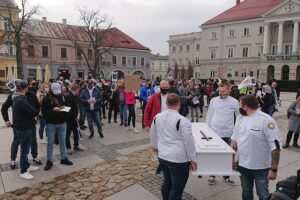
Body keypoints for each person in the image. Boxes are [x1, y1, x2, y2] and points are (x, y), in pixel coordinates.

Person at [231, 95, 282, 200]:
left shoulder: (266, 120)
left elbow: (275, 147)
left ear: (245, 107)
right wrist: (232, 159)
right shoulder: (240, 118)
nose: (238, 107)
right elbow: (234, 141)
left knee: (263, 194)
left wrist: (274, 169)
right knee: (246, 192)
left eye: (239, 105)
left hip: (261, 168)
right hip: (243, 165)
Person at [150, 93, 197, 200]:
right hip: (178, 159)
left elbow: (153, 133)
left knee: (167, 182)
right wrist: (193, 159)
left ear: (166, 104)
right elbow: (189, 142)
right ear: (179, 104)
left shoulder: (158, 116)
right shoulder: (183, 121)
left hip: (163, 156)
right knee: (176, 188)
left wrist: (155, 146)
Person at [1, 80, 42, 170]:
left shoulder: (31, 95)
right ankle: (13, 159)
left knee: (33, 141)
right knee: (16, 142)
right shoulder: (13, 96)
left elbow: (37, 106)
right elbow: (4, 107)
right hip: (19, 124)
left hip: (31, 123)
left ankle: (35, 157)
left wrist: (35, 113)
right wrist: (6, 120)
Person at [206, 81, 239, 185]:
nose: (220, 93)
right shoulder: (213, 101)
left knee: (227, 156)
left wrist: (236, 133)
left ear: (229, 90)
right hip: (214, 133)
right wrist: (208, 129)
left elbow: (239, 118)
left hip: (228, 133)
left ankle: (226, 176)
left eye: (223, 91)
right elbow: (209, 115)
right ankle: (212, 175)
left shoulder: (234, 102)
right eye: (219, 91)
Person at [12, 80, 40, 179]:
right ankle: (23, 171)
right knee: (24, 150)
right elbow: (33, 112)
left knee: (26, 149)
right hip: (24, 128)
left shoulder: (17, 97)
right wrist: (35, 111)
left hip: (23, 126)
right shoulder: (21, 100)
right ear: (25, 88)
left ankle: (27, 166)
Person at [42, 83, 73, 170]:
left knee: (62, 141)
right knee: (50, 143)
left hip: (62, 123)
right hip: (51, 124)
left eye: (58, 92)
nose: (57, 93)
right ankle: (49, 160)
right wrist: (53, 110)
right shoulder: (46, 99)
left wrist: (62, 111)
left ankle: (63, 158)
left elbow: (68, 109)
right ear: (51, 90)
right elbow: (44, 112)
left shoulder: (63, 97)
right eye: (56, 92)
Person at [66, 84, 84, 153]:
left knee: (76, 132)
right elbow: (69, 108)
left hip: (74, 118)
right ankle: (68, 147)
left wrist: (77, 115)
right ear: (76, 89)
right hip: (69, 118)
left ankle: (76, 145)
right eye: (78, 90)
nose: (78, 91)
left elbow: (75, 107)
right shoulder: (68, 96)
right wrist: (75, 116)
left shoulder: (74, 96)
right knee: (67, 133)